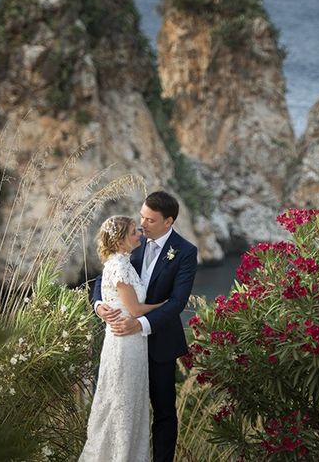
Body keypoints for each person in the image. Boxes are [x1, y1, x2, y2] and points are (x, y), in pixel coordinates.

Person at [92, 191, 198, 462]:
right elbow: (103, 276)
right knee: (122, 409)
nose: (142, 225)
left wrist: (139, 324)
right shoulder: (132, 241)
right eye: (141, 218)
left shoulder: (186, 252)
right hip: (124, 347)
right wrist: (99, 305)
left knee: (163, 413)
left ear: (168, 221)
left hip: (159, 343)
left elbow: (176, 302)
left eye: (150, 220)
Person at [80, 215, 162, 461]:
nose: (140, 232)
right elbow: (135, 310)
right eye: (134, 231)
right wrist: (165, 304)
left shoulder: (118, 261)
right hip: (125, 343)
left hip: (128, 342)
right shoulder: (121, 265)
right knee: (123, 404)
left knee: (124, 402)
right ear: (121, 240)